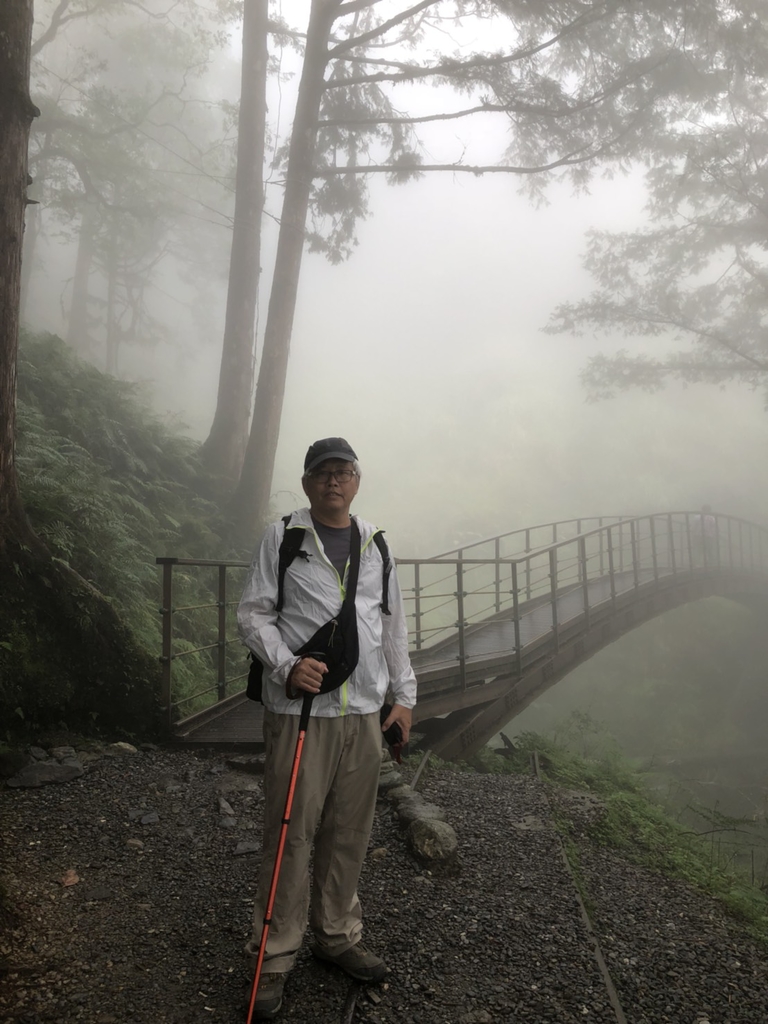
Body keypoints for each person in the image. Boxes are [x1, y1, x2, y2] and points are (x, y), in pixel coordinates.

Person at [237, 437, 417, 1020]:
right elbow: (253, 612)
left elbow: (392, 627)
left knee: (349, 832)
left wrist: (404, 697)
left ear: (357, 481)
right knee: (290, 833)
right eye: (322, 474)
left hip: (363, 710)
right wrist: (288, 665)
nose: (333, 482)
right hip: (300, 712)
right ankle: (274, 957)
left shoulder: (376, 544)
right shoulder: (285, 537)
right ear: (308, 481)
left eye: (343, 473)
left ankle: (337, 935)